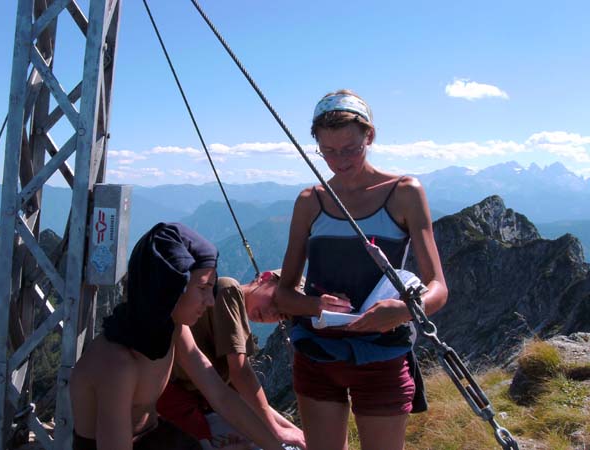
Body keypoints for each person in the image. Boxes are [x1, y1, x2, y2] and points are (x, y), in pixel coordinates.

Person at [276, 90, 448, 450]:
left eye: (351, 148)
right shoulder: (310, 201)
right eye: (329, 151)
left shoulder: (404, 192)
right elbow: (284, 294)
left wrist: (402, 310)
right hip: (317, 354)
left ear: (370, 136)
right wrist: (315, 307)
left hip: (382, 355)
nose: (340, 160)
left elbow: (438, 287)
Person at [70, 222, 284, 450]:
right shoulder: (117, 364)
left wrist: (275, 448)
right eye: (203, 288)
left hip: (155, 436)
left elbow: (220, 396)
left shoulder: (174, 330)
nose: (210, 301)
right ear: (169, 287)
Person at [157, 270, 306, 449]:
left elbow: (244, 395)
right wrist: (275, 429)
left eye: (281, 315)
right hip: (183, 405)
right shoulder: (228, 289)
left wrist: (294, 431)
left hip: (201, 407)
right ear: (264, 277)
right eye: (274, 301)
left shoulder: (240, 326)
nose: (272, 312)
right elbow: (241, 375)